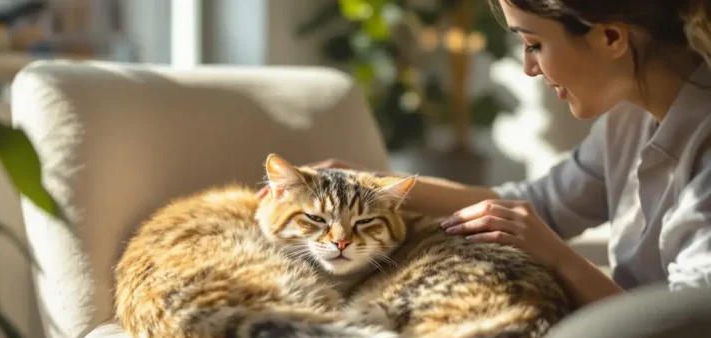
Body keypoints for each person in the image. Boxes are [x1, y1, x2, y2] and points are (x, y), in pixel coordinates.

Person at [258, 0, 711, 309]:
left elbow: (689, 336)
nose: (528, 68)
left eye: (534, 44)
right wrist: (368, 185)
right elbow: (541, 206)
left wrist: (558, 258)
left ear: (612, 37)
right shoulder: (627, 120)